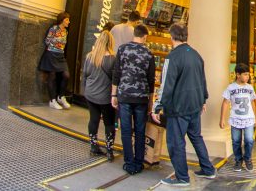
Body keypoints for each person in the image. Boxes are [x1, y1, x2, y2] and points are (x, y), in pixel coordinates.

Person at [152, 22, 217, 186]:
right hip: (195, 105)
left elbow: (166, 84)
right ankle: (208, 169)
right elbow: (202, 79)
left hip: (178, 107)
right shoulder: (196, 55)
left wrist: (157, 106)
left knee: (175, 142)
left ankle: (182, 177)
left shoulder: (172, 57)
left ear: (171, 37)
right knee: (196, 137)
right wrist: (203, 99)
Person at [112, 24, 156, 176]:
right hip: (142, 98)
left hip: (124, 95)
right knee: (140, 130)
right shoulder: (149, 53)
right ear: (144, 36)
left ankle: (129, 162)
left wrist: (113, 95)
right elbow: (151, 81)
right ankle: (138, 161)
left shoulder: (122, 49)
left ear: (134, 34)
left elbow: (116, 74)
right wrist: (151, 102)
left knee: (125, 130)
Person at [82, 29, 116, 160]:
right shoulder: (112, 59)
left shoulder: (90, 56)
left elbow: (85, 74)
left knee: (93, 119)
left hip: (91, 94)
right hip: (105, 97)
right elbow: (115, 79)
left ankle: (93, 146)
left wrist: (85, 90)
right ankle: (109, 150)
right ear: (110, 42)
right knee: (109, 123)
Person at [220, 62, 256, 172]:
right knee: (236, 141)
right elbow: (225, 103)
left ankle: (248, 159)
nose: (248, 77)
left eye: (248, 74)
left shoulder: (250, 87)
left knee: (249, 140)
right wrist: (222, 119)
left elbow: (252, 102)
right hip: (235, 118)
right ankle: (238, 160)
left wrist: (255, 117)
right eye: (245, 74)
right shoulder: (231, 88)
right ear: (238, 74)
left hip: (249, 119)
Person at [38, 12, 72, 110]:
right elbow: (47, 41)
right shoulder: (54, 29)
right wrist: (56, 43)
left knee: (66, 75)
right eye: (67, 20)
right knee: (51, 77)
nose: (68, 22)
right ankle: (52, 100)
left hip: (60, 56)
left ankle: (60, 96)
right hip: (51, 54)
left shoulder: (66, 31)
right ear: (62, 20)